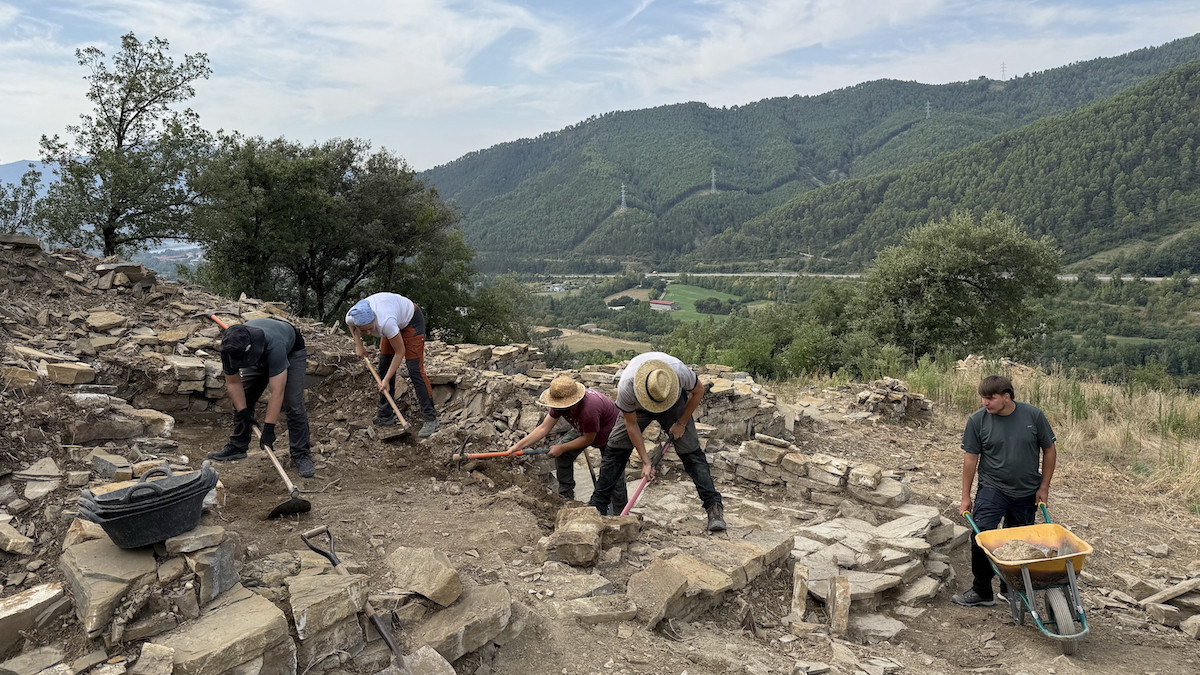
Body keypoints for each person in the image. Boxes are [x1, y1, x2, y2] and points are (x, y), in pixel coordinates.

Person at [589, 351, 726, 532]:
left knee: (691, 452)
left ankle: (714, 507)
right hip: (637, 406)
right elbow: (631, 425)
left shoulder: (679, 372)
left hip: (673, 402)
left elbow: (698, 391)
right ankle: (597, 506)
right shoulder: (627, 387)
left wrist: (681, 422)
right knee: (615, 449)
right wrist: (645, 461)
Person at [953, 374, 1057, 607]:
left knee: (1017, 540)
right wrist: (965, 496)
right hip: (993, 487)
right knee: (983, 534)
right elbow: (970, 459)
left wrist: (1044, 487)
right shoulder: (977, 421)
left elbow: (1049, 450)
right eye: (983, 398)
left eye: (990, 398)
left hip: (1026, 490)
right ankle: (981, 590)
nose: (985, 403)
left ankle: (1009, 588)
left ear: (1006, 397)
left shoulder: (1033, 416)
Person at [208, 318, 315, 478]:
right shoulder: (230, 348)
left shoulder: (275, 345)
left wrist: (269, 428)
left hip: (291, 351)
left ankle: (301, 454)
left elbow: (277, 391)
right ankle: (238, 446)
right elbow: (233, 384)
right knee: (243, 399)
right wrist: (244, 412)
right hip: (255, 353)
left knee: (293, 402)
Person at [508, 375, 628, 514]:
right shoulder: (559, 403)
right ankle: (566, 498)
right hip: (586, 428)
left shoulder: (589, 409)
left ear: (573, 402)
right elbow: (543, 428)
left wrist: (561, 448)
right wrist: (518, 446)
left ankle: (621, 515)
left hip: (613, 432)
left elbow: (588, 439)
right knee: (563, 455)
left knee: (613, 477)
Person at [345, 293, 439, 438]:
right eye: (365, 330)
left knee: (414, 369)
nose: (370, 332)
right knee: (384, 364)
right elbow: (352, 326)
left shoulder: (385, 322)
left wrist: (386, 380)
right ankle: (385, 415)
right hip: (394, 320)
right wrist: (359, 346)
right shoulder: (352, 316)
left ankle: (430, 418)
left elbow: (400, 352)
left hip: (411, 320)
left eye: (371, 327)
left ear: (374, 318)